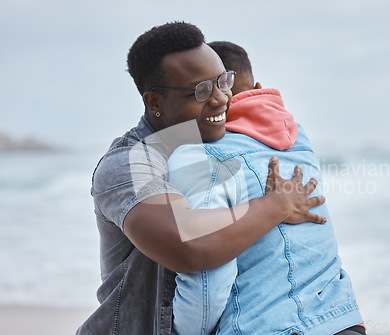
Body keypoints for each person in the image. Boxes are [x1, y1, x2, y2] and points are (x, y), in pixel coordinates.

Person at [76, 22, 327, 335]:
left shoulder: (213, 148)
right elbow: (190, 246)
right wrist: (276, 206)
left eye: (223, 82)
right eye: (201, 91)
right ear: (155, 102)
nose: (222, 98)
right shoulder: (130, 164)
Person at [169, 42, 365, 334]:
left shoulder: (199, 155)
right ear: (257, 86)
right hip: (343, 319)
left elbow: (208, 283)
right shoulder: (298, 136)